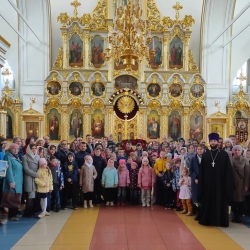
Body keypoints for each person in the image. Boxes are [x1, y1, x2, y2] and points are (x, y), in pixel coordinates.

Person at [197, 133, 235, 227]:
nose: (213, 142)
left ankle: (220, 221)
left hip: (220, 184)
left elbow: (228, 171)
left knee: (220, 202)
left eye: (214, 141)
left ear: (218, 142)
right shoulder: (205, 155)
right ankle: (207, 220)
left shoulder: (224, 155)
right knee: (208, 202)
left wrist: (227, 184)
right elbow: (202, 172)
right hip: (208, 184)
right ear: (209, 142)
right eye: (211, 141)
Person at [3, 143, 23, 221]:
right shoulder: (8, 157)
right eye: (14, 149)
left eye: (17, 149)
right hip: (13, 180)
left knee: (16, 197)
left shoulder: (15, 157)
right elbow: (9, 170)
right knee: (12, 198)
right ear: (10, 149)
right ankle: (11, 215)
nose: (16, 150)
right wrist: (11, 181)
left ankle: (15, 213)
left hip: (18, 180)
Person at [230, 145, 249, 223]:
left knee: (241, 200)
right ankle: (234, 215)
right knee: (233, 200)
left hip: (241, 183)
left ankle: (240, 215)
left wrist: (246, 185)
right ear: (233, 151)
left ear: (241, 151)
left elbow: (247, 174)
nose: (237, 151)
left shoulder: (245, 160)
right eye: (235, 150)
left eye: (238, 150)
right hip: (232, 183)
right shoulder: (230, 160)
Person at [22, 144, 40, 217]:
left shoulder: (38, 156)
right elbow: (26, 169)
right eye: (32, 148)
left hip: (36, 177)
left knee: (33, 196)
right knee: (30, 195)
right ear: (29, 149)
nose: (34, 149)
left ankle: (31, 210)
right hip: (29, 177)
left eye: (35, 148)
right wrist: (35, 174)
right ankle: (27, 211)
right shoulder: (25, 157)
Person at [189, 144, 205, 220]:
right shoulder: (193, 159)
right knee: (196, 198)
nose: (199, 150)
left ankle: (203, 213)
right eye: (198, 149)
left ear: (203, 150)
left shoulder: (206, 158)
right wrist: (195, 178)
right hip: (195, 181)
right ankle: (198, 213)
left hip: (204, 181)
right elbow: (191, 170)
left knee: (203, 197)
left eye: (201, 149)